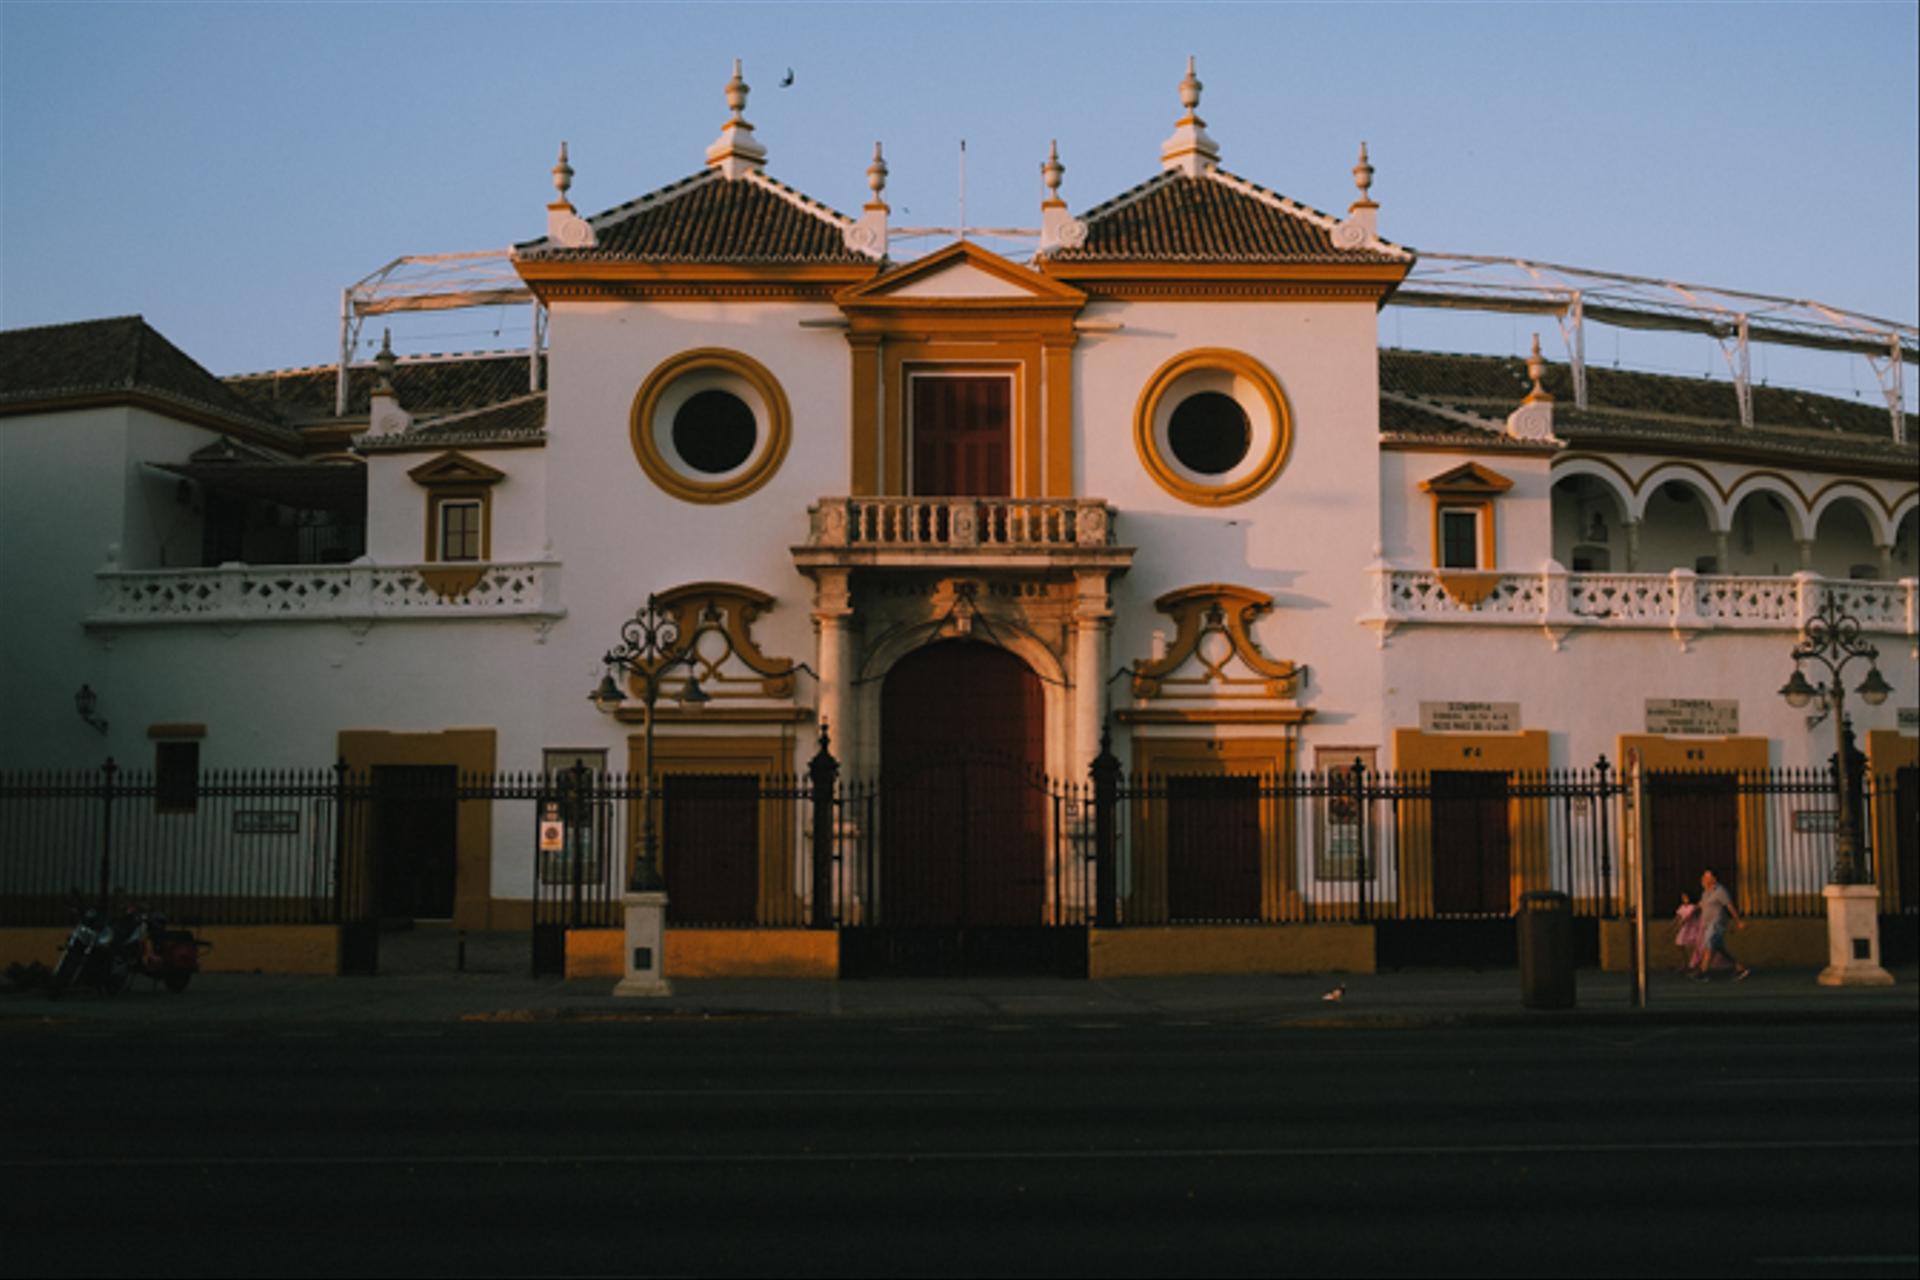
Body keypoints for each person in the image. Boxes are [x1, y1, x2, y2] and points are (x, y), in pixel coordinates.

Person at [1693, 869, 1750, 981]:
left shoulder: (1720, 891)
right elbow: (1701, 904)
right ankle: (1741, 968)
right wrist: (1691, 911)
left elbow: (1729, 906)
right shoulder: (1705, 893)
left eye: (1706, 877)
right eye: (1703, 877)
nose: (1703, 879)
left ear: (1714, 879)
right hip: (1707, 924)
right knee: (1719, 948)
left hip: (1716, 924)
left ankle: (1704, 972)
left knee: (1709, 946)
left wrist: (1738, 921)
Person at [1672, 893, 1703, 974]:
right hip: (1683, 929)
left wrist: (1685, 920)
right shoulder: (1681, 907)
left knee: (1693, 947)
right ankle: (1684, 964)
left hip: (1692, 928)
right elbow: (1678, 917)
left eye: (1686, 897)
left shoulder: (1693, 907)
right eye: (1683, 897)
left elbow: (1693, 915)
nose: (1684, 899)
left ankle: (1693, 965)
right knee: (1679, 945)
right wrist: (1673, 925)